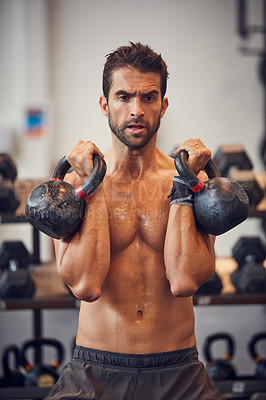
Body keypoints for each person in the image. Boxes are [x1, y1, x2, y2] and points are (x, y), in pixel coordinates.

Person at [45, 42, 224, 400]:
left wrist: (183, 184)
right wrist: (95, 184)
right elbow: (85, 285)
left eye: (148, 97)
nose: (136, 110)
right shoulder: (75, 186)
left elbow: (185, 279)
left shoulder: (192, 183)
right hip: (94, 372)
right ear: (104, 104)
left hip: (179, 371)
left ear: (164, 105)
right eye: (124, 97)